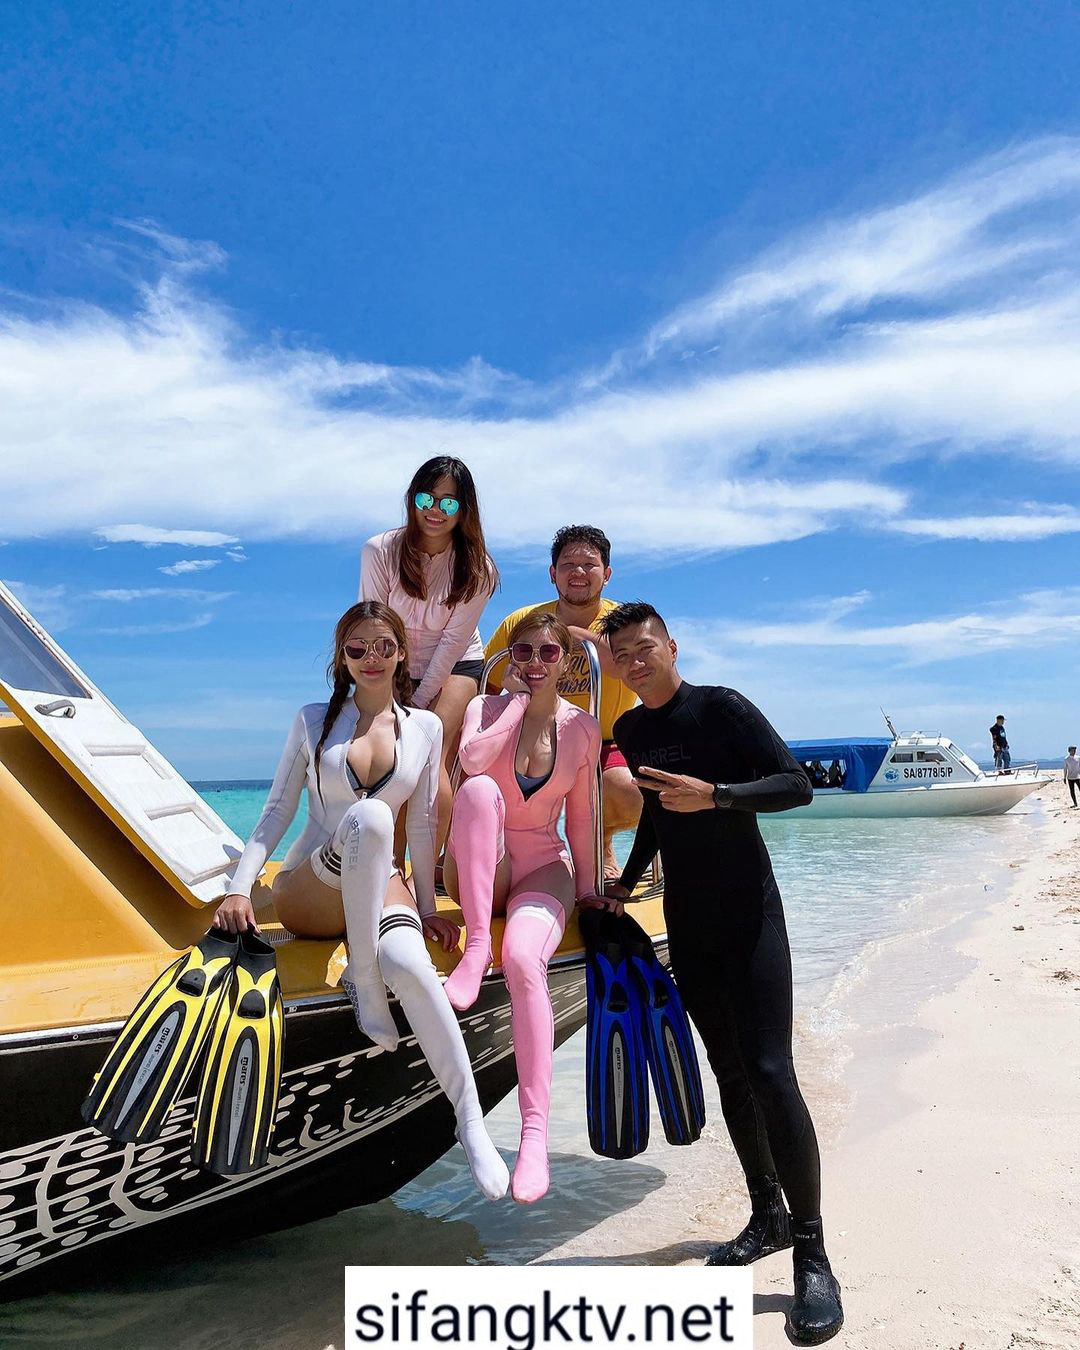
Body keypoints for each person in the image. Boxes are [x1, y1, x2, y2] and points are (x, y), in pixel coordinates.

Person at [599, 601, 843, 1345]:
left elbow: (795, 784)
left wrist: (719, 796)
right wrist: (626, 883)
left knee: (771, 1071)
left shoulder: (723, 709)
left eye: (645, 648)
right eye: (622, 655)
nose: (635, 662)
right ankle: (766, 1214)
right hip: (688, 921)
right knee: (730, 1072)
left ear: (672, 646)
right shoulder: (631, 730)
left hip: (749, 916)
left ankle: (813, 1254)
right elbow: (655, 813)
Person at [213, 601, 509, 1202]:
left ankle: (470, 1119)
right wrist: (240, 887)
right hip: (310, 889)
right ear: (342, 658)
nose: (371, 658)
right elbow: (277, 811)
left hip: (380, 881)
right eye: (357, 648)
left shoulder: (424, 728)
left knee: (415, 968)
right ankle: (365, 981)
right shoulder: (313, 719)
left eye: (383, 646)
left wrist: (428, 908)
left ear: (401, 653)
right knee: (372, 817)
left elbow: (421, 825)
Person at [442, 612, 603, 1204]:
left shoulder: (582, 728)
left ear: (566, 661)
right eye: (523, 652)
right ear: (509, 660)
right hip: (481, 865)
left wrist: (589, 893)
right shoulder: (484, 709)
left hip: (541, 867)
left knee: (522, 961)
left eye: (548, 653)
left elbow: (582, 819)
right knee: (481, 791)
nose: (535, 663)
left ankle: (534, 1135)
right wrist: (513, 705)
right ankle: (475, 944)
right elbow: (472, 764)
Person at [484, 524, 640, 877]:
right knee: (480, 779)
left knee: (629, 792)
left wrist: (575, 636)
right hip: (531, 736)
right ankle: (501, 852)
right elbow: (486, 687)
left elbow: (637, 667)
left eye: (589, 564)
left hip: (603, 740)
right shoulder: (522, 622)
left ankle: (601, 842)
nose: (578, 572)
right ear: (553, 573)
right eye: (568, 564)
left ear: (607, 574)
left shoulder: (624, 623)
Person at [361, 456, 499, 852]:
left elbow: (452, 643)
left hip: (456, 664)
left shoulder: (479, 570)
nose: (436, 510)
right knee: (390, 762)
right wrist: (386, 695)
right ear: (413, 499)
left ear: (464, 510)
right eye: (427, 498)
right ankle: (389, 866)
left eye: (449, 502)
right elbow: (372, 625)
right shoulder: (380, 550)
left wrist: (417, 706)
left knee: (428, 755)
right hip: (392, 663)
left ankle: (426, 870)